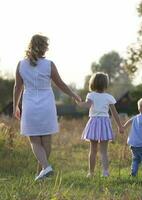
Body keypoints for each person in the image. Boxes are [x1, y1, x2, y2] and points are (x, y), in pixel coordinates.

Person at [13, 34, 81, 181]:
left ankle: (44, 170)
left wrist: (15, 107)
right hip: (47, 105)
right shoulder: (49, 64)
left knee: (35, 141)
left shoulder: (20, 65)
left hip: (30, 104)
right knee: (46, 141)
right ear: (44, 47)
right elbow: (60, 84)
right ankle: (44, 170)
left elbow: (17, 88)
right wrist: (74, 95)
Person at [78, 72, 124, 178]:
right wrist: (120, 126)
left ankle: (91, 173)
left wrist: (79, 103)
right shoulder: (109, 97)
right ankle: (105, 172)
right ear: (105, 84)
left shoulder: (91, 95)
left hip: (94, 123)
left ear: (92, 83)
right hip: (104, 123)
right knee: (104, 151)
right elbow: (114, 113)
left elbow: (87, 105)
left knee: (93, 150)